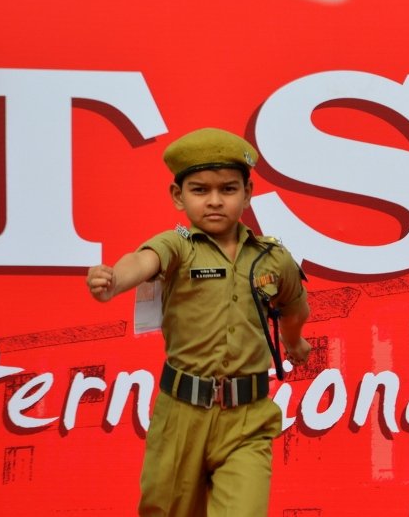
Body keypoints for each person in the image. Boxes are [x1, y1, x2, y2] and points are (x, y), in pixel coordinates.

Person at [86, 127, 311, 517]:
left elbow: (292, 307)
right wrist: (113, 281)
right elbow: (142, 261)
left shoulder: (273, 257)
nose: (215, 201)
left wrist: (294, 342)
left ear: (247, 193)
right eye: (200, 190)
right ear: (179, 196)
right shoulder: (178, 245)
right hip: (181, 418)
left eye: (228, 189)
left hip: (248, 420)